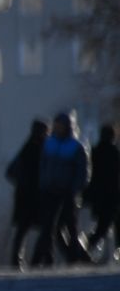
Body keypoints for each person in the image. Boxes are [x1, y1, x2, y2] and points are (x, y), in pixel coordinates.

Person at [32, 112, 91, 267]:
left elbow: (82, 172)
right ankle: (48, 258)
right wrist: (43, 184)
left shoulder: (75, 147)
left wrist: (75, 188)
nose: (58, 128)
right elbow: (43, 167)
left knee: (70, 226)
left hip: (67, 192)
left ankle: (74, 257)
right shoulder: (49, 144)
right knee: (49, 227)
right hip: (50, 191)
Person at [4, 120, 48, 270]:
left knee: (23, 230)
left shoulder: (26, 147)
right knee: (45, 229)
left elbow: (10, 171)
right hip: (37, 196)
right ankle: (40, 260)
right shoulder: (43, 149)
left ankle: (17, 260)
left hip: (24, 196)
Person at [87, 125, 119, 263]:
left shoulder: (94, 152)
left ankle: (100, 251)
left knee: (103, 226)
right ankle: (87, 247)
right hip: (113, 197)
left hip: (98, 197)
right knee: (106, 226)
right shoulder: (115, 153)